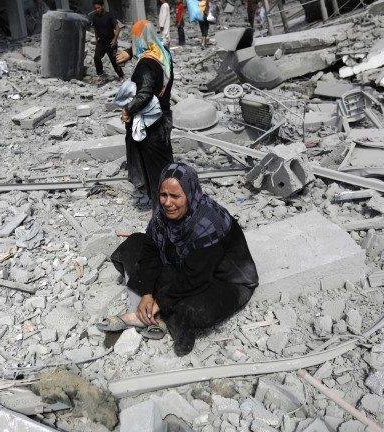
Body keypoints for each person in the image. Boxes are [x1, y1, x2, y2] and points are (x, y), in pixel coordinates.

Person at [99, 163, 260, 356]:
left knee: (191, 309)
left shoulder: (210, 223)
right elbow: (151, 250)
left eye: (175, 196)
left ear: (190, 194)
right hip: (184, 263)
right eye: (163, 195)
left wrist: (160, 301)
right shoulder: (163, 213)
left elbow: (196, 277)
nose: (167, 202)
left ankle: (158, 318)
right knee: (135, 244)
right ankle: (159, 318)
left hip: (223, 279)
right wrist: (148, 294)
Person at [116, 20, 174, 207]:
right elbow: (147, 46)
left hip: (151, 126)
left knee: (156, 170)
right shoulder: (163, 54)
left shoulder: (146, 65)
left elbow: (145, 94)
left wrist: (128, 110)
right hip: (164, 117)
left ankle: (163, 210)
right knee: (165, 164)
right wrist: (130, 53)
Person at [89, 0, 124, 82]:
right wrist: (96, 38)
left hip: (110, 42)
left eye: (98, 8)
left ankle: (121, 75)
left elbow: (118, 28)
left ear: (102, 6)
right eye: (95, 8)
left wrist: (115, 40)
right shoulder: (94, 17)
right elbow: (95, 29)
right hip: (101, 42)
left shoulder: (109, 15)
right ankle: (100, 75)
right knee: (96, 57)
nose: (97, 9)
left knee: (114, 60)